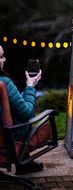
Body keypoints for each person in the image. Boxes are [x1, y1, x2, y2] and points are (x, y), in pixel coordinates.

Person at [0, 44, 43, 175]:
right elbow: (26, 113)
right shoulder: (3, 83)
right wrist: (30, 87)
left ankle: (25, 163)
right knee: (43, 125)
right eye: (1, 57)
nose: (4, 60)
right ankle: (24, 162)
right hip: (7, 143)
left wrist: (27, 87)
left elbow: (17, 105)